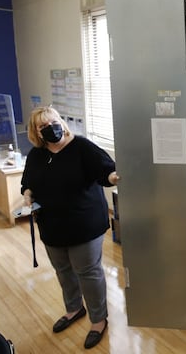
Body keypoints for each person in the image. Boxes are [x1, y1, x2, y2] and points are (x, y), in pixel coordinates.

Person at [20, 106, 119, 349]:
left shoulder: (81, 147)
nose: (50, 128)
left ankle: (98, 320)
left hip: (84, 223)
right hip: (51, 224)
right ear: (37, 132)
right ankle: (74, 309)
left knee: (87, 272)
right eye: (43, 126)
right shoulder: (36, 155)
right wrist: (27, 193)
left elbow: (106, 171)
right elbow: (28, 181)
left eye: (52, 122)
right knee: (63, 270)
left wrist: (114, 177)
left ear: (61, 122)